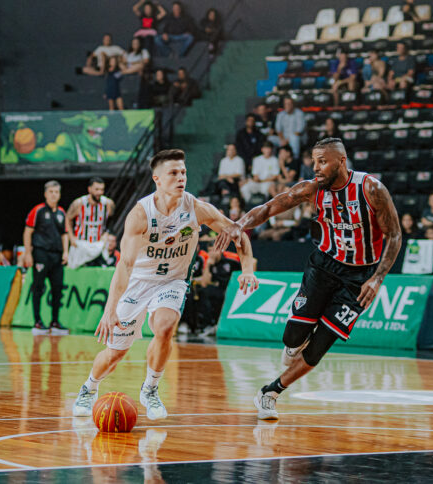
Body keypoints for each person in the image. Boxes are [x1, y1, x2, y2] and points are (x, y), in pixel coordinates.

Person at [215, 137, 402, 421]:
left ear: (341, 161)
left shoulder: (371, 189)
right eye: (314, 161)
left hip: (359, 277)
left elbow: (395, 235)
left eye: (322, 162)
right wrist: (238, 225)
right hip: (324, 266)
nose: (315, 168)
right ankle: (293, 345)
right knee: (293, 336)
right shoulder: (312, 189)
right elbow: (268, 208)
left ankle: (270, 392)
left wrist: (377, 279)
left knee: (319, 347)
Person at [71, 148, 258, 420]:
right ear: (157, 179)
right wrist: (110, 309)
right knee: (115, 354)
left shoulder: (196, 208)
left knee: (165, 326)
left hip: (173, 280)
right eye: (173, 173)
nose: (181, 177)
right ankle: (89, 388)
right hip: (139, 282)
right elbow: (124, 265)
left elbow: (236, 232)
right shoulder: (140, 214)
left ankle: (150, 389)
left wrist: (247, 269)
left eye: (183, 172)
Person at [23, 181, 69, 334]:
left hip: (57, 255)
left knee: (57, 288)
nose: (54, 194)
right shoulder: (38, 210)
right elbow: (27, 232)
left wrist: (66, 252)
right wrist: (28, 253)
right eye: (51, 192)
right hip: (41, 253)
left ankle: (55, 322)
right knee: (38, 287)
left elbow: (65, 234)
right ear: (45, 194)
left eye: (57, 192)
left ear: (60, 194)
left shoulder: (62, 212)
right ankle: (37, 321)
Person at [66, 177, 116, 268]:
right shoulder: (79, 203)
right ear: (89, 189)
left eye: (102, 189)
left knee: (101, 269)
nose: (99, 192)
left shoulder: (108, 203)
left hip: (98, 244)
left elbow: (112, 219)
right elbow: (68, 218)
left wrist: (106, 233)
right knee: (78, 270)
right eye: (96, 189)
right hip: (81, 243)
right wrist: (71, 237)